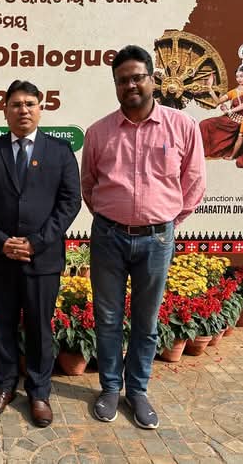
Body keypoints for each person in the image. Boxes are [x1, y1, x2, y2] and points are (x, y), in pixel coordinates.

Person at [80, 45, 205, 429]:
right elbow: (89, 185)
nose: (130, 85)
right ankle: (109, 388)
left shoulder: (182, 127)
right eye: (123, 80)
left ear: (153, 79)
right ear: (115, 85)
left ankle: (137, 391)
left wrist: (165, 221)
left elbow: (194, 181)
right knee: (107, 318)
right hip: (109, 237)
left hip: (157, 240)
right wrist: (114, 216)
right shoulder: (98, 132)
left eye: (137, 77)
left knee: (146, 321)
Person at [0, 80, 81, 428]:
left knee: (39, 327)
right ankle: (3, 387)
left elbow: (70, 202)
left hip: (41, 259)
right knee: (2, 325)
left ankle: (39, 392)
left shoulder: (59, 151)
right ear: (5, 111)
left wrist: (36, 242)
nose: (23, 110)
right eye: (16, 104)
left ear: (40, 109)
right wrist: (0, 241)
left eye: (30, 103)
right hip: (0, 257)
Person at [199, 65, 243, 158]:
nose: (239, 79)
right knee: (204, 124)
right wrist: (210, 89)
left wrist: (230, 110)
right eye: (237, 77)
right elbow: (218, 102)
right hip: (230, 119)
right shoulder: (233, 92)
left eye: (241, 76)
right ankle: (201, 151)